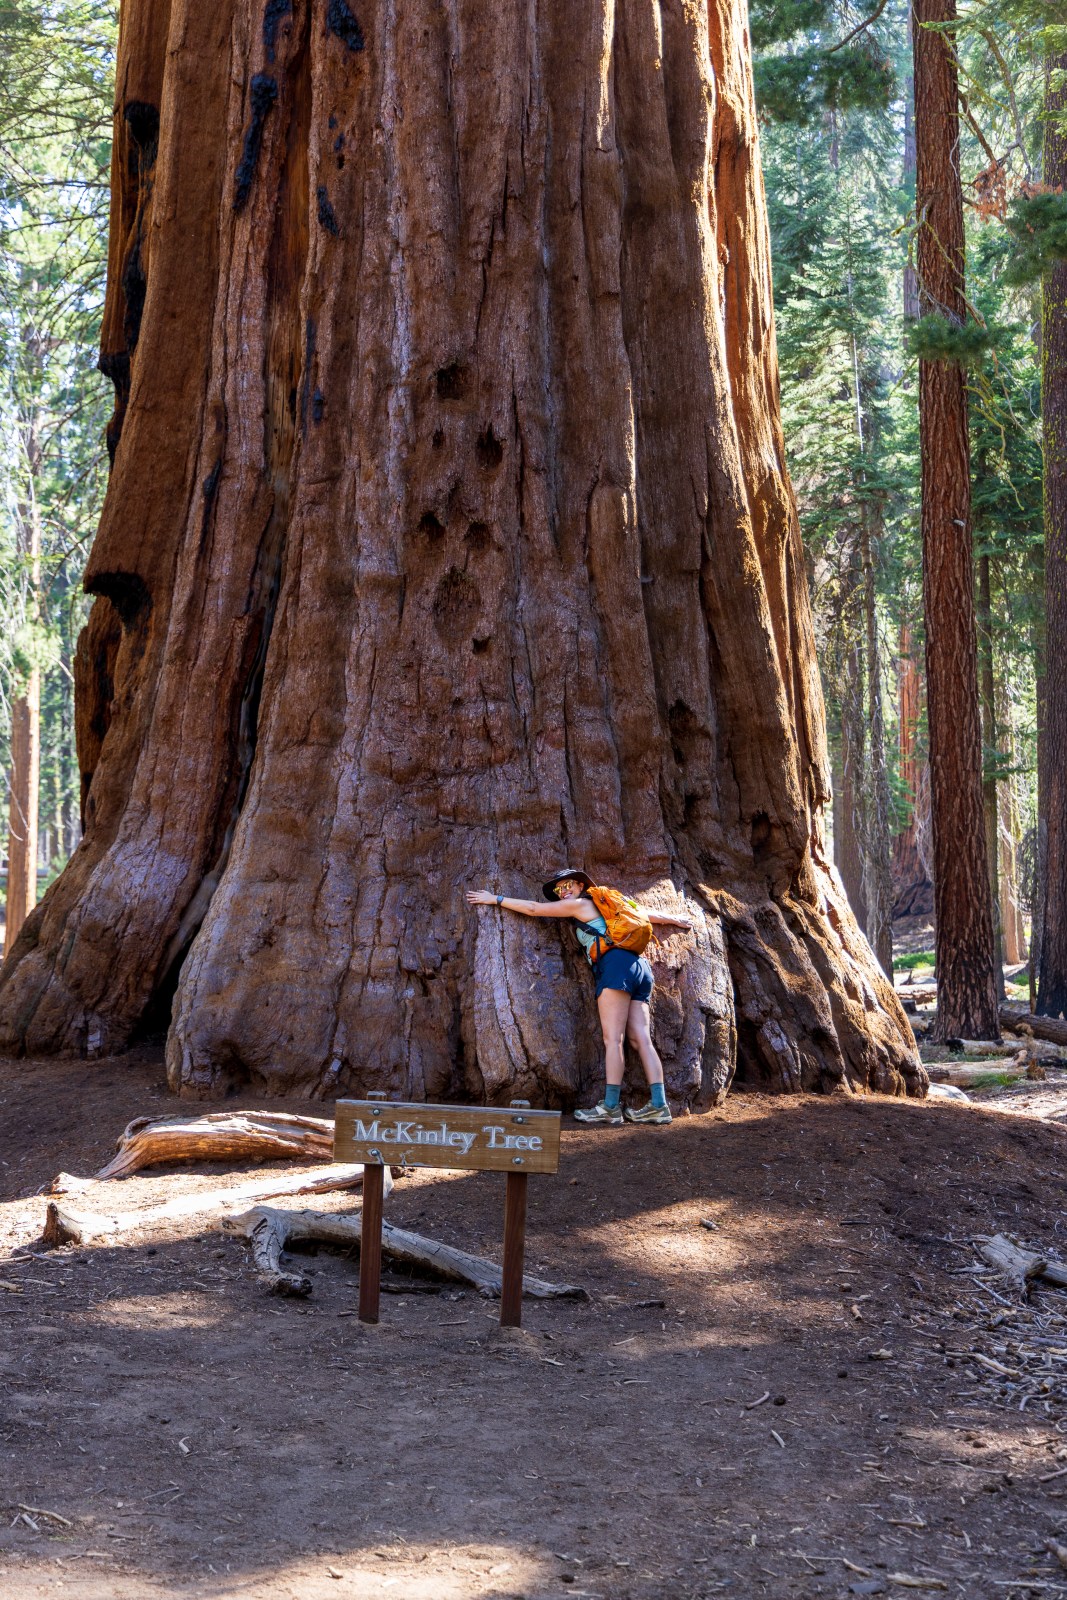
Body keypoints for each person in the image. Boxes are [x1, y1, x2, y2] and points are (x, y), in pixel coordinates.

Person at [466, 869, 692, 1126]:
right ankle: (659, 1105)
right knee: (641, 1039)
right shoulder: (606, 905)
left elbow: (532, 908)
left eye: (568, 885)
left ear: (581, 885)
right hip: (640, 967)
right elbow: (645, 914)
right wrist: (674, 920)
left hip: (616, 966)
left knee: (613, 1040)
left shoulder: (578, 905)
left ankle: (610, 1107)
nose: (563, 892)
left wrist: (494, 899)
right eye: (559, 890)